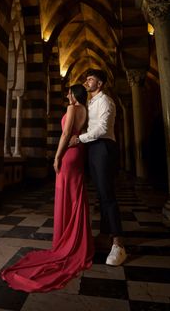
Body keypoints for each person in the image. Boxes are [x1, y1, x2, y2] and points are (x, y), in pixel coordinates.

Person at [1, 84, 93, 292]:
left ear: (75, 94)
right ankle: (77, 242)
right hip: (79, 154)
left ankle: (66, 243)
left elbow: (66, 133)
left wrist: (57, 156)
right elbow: (80, 134)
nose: (67, 95)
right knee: (76, 195)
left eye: (69, 92)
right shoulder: (85, 111)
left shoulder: (72, 109)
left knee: (65, 195)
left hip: (68, 156)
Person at [70, 69, 126, 266]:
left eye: (90, 79)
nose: (87, 82)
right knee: (101, 195)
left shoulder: (105, 101)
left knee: (108, 195)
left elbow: (102, 129)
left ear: (99, 84)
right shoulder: (92, 102)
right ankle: (104, 235)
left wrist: (79, 139)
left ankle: (118, 243)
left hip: (103, 147)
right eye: (86, 79)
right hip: (94, 148)